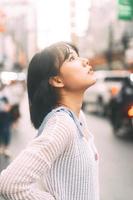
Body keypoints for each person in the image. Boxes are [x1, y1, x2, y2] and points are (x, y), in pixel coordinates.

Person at [0, 41, 99, 200]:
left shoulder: (78, 118)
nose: (85, 60)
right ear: (57, 80)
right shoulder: (61, 124)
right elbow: (10, 184)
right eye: (72, 59)